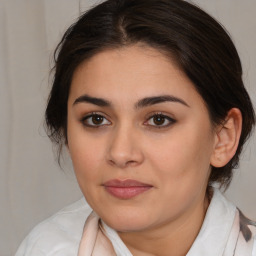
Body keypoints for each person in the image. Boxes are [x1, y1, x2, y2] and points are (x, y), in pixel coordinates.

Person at [16, 0, 256, 255]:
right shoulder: (44, 247)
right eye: (96, 119)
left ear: (222, 137)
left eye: (159, 119)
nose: (121, 153)